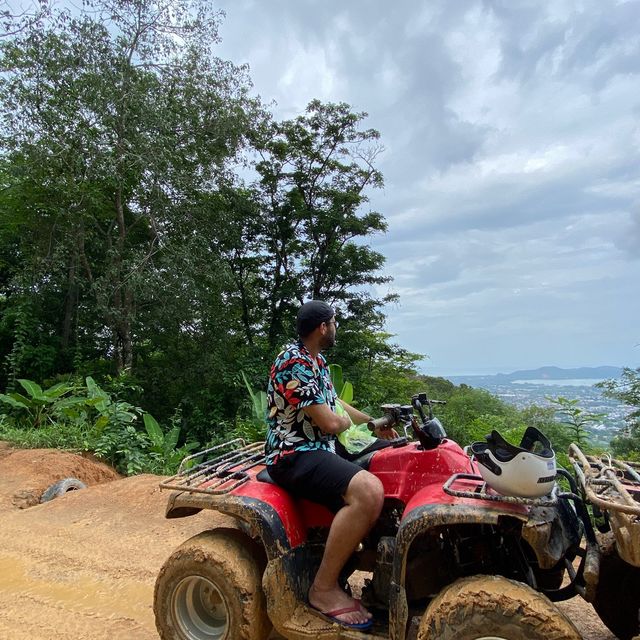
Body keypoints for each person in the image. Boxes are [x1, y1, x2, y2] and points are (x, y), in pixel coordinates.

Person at [265, 300, 396, 630]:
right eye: (335, 322)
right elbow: (328, 421)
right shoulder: (292, 362)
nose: (336, 327)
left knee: (393, 454)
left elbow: (335, 403)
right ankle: (322, 589)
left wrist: (372, 423)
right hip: (294, 454)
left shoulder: (316, 361)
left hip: (321, 448)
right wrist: (343, 425)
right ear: (323, 327)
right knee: (368, 490)